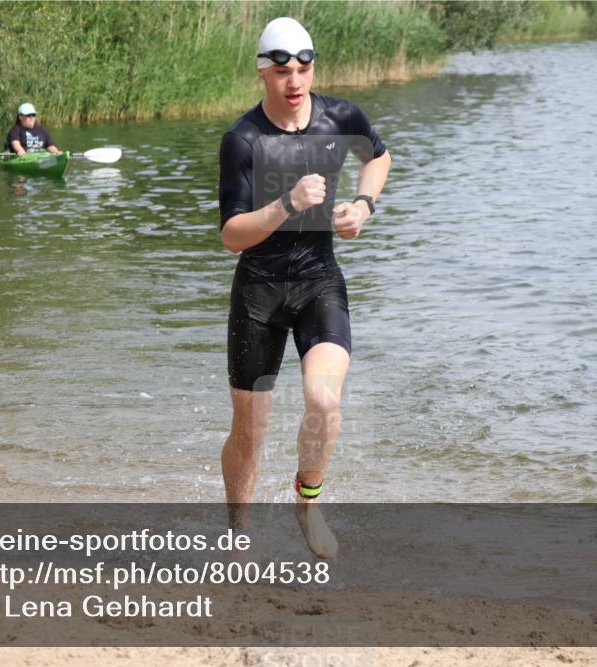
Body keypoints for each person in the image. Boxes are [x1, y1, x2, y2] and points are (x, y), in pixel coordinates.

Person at [217, 17, 392, 558]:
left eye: (304, 68)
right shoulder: (244, 139)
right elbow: (231, 236)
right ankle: (238, 532)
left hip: (319, 281)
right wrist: (286, 204)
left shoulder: (341, 116)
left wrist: (363, 204)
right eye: (282, 70)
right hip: (259, 293)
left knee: (323, 398)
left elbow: (379, 157)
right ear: (262, 73)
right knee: (250, 432)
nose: (295, 80)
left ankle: (307, 506)